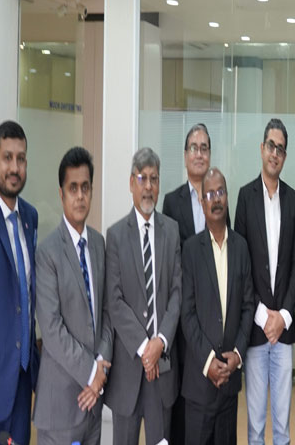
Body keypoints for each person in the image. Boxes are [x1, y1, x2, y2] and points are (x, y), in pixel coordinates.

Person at [32, 147, 112, 445]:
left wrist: (101, 367)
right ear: (61, 194)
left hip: (94, 404)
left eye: (85, 188)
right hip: (61, 407)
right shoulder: (47, 253)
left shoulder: (99, 245)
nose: (80, 196)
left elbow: (107, 313)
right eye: (73, 188)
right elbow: (52, 330)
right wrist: (91, 372)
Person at [105, 147, 182, 445]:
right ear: (131, 183)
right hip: (128, 371)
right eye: (142, 178)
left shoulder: (172, 232)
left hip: (162, 370)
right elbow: (115, 301)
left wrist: (159, 342)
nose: (148, 186)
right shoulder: (115, 236)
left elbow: (177, 293)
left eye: (154, 178)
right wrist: (143, 347)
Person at [234, 118, 295, 445]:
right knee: (256, 428)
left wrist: (283, 316)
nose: (275, 153)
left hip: (283, 331)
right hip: (257, 329)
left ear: (284, 156)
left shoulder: (292, 198)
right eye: (271, 146)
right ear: (262, 149)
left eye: (281, 149)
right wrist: (263, 317)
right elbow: (240, 266)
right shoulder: (245, 197)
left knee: (283, 428)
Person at [181, 168, 254, 445]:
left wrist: (237, 354)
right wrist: (209, 361)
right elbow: (187, 314)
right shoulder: (190, 250)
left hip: (229, 386)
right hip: (200, 385)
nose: (216, 199)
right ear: (202, 203)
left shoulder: (241, 248)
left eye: (220, 192)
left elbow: (248, 307)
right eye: (209, 194)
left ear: (227, 196)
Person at [162, 123, 223, 444]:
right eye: (194, 148)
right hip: (185, 324)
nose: (199, 153)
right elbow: (171, 263)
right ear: (185, 155)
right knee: (184, 417)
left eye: (204, 148)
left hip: (215, 322)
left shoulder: (219, 199)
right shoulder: (171, 203)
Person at [0, 121, 39, 445]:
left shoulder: (30, 217)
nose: (14, 167)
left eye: (21, 158)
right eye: (7, 158)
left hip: (23, 379)